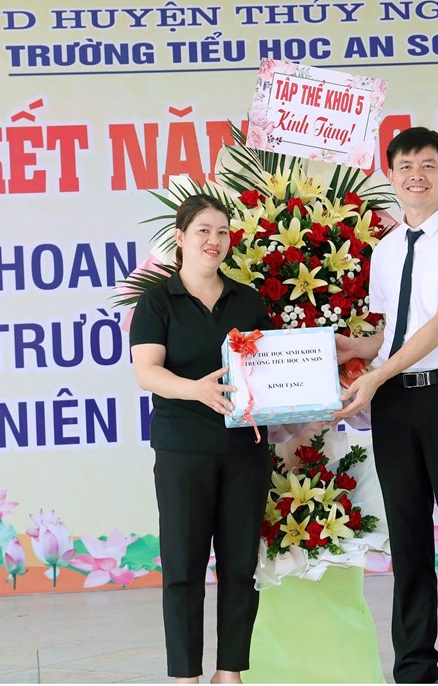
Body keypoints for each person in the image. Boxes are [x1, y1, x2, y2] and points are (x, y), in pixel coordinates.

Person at [333, 127, 438, 684]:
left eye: (427, 165)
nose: (416, 176)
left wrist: (377, 374)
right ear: (390, 175)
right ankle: (413, 667)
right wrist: (349, 350)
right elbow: (392, 333)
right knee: (407, 539)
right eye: (405, 166)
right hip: (395, 405)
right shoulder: (384, 251)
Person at [129, 194, 273, 684]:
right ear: (180, 237)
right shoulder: (157, 300)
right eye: (203, 231)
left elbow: (270, 370)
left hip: (245, 452)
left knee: (239, 568)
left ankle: (229, 672)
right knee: (184, 568)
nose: (214, 240)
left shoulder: (248, 300)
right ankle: (185, 676)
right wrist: (196, 390)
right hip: (183, 451)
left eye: (223, 232)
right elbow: (147, 372)